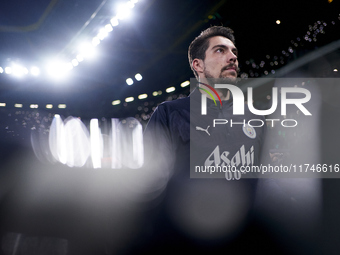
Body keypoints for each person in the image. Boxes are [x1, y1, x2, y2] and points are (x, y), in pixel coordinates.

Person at [139, 26, 267, 254]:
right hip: (186, 239)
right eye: (220, 50)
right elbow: (148, 182)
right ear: (197, 65)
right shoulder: (169, 113)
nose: (233, 57)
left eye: (234, 52)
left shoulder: (254, 117)